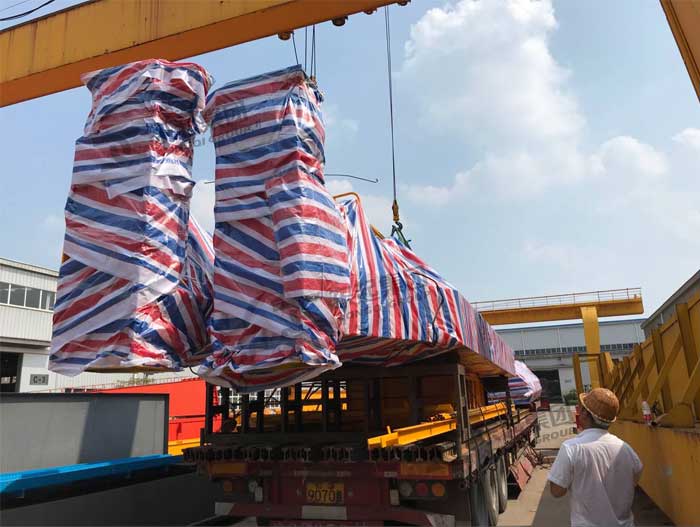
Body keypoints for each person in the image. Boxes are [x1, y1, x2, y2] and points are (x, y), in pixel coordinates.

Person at [548, 387, 643, 527]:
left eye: (581, 408)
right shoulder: (627, 450)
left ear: (585, 414)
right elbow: (634, 478)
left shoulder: (571, 448)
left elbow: (556, 491)